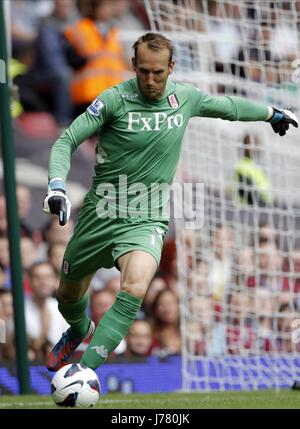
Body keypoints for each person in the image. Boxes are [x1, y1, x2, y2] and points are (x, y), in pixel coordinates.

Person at [43, 32, 298, 372]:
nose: (151, 80)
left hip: (146, 219)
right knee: (67, 298)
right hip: (99, 214)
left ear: (171, 68)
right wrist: (57, 186)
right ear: (133, 66)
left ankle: (84, 371)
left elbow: (229, 108)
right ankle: (78, 329)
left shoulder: (185, 98)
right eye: (144, 71)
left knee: (134, 287)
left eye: (158, 73)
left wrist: (271, 112)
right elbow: (65, 141)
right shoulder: (113, 100)